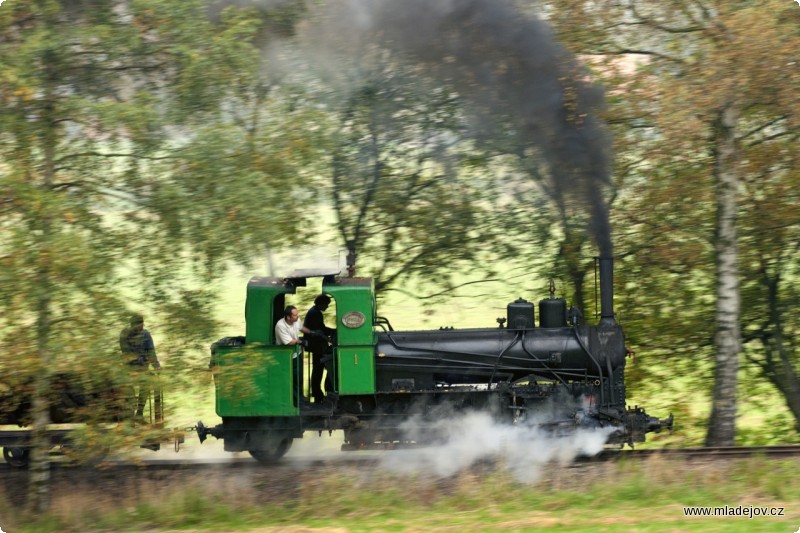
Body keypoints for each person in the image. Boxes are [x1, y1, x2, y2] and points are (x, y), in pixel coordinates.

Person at [119, 314, 161, 421]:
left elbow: (151, 352)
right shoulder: (125, 334)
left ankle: (139, 413)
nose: (142, 327)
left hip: (142, 369)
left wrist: (157, 366)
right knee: (128, 388)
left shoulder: (146, 334)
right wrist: (140, 360)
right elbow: (126, 353)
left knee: (148, 382)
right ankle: (130, 416)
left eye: (142, 325)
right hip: (128, 369)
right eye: (139, 325)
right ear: (133, 325)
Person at [304, 294, 336, 404]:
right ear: (321, 303)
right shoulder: (315, 314)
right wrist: (332, 332)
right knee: (318, 370)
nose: (327, 307)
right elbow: (320, 330)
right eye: (326, 305)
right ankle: (318, 395)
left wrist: (331, 331)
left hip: (316, 345)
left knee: (318, 370)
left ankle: (319, 394)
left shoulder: (315, 312)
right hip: (316, 346)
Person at [275, 305, 311, 403]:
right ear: (288, 317)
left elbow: (301, 327)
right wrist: (301, 342)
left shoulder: (296, 320)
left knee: (299, 377)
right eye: (295, 315)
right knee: (292, 379)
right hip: (287, 357)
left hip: (297, 353)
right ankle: (295, 401)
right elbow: (289, 342)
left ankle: (300, 397)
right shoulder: (280, 325)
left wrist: (311, 333)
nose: (297, 316)